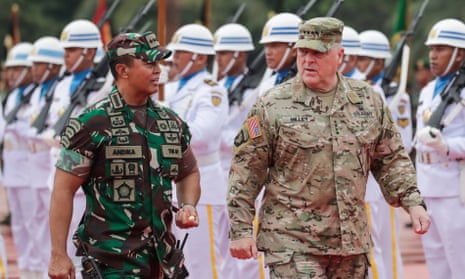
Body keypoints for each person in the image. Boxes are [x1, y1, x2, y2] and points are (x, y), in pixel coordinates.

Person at [227, 17, 431, 279]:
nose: (308, 60)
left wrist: (413, 204)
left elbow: (390, 160)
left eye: (318, 52)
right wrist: (241, 230)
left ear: (339, 55)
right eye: (303, 51)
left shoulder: (367, 102)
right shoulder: (272, 105)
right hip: (292, 242)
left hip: (350, 243)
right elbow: (245, 171)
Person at [48, 31, 201, 278]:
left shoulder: (171, 123)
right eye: (149, 63)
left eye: (158, 63)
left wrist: (187, 205)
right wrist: (58, 253)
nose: (158, 70)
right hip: (112, 263)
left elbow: (189, 172)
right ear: (123, 70)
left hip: (164, 262)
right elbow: (63, 189)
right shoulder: (91, 124)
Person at [166, 23, 237, 279]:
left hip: (203, 185)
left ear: (198, 57)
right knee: (176, 261)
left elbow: (203, 134)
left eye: (180, 52)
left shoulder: (212, 90)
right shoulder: (171, 88)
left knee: (203, 263)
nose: (174, 58)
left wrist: (161, 130)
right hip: (171, 183)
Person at [40, 19, 106, 276]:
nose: (65, 56)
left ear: (89, 52)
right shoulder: (63, 84)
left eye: (71, 50)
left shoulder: (103, 87)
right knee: (58, 248)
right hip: (56, 175)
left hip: (86, 181)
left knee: (84, 254)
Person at [214, 23, 269, 279]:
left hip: (244, 174)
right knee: (222, 247)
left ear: (239, 54)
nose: (218, 59)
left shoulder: (256, 88)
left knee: (248, 248)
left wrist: (222, 137)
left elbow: (252, 130)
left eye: (223, 53)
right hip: (217, 174)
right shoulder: (216, 85)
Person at [357, 29, 412, 279]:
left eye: (361, 59)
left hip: (381, 185)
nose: (356, 64)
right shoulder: (357, 89)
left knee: (386, 249)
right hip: (361, 184)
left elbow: (404, 142)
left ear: (378, 61)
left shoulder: (395, 96)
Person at [414, 18, 465, 279]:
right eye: (432, 49)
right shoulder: (429, 89)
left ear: (460, 54)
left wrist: (447, 146)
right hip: (427, 184)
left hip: (455, 190)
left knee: (460, 260)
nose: (433, 56)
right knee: (436, 261)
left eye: (441, 49)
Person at [25, 36, 64, 279]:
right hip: (36, 167)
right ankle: (38, 271)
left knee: (51, 229)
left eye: (39, 64)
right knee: (34, 225)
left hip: (51, 167)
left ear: (52, 66)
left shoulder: (59, 89)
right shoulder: (39, 90)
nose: (34, 70)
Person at [2, 42, 37, 279]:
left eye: (17, 69)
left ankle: (37, 271)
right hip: (13, 172)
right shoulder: (12, 96)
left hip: (32, 173)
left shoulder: (37, 95)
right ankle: (26, 272)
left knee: (36, 228)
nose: (11, 74)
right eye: (9, 69)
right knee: (19, 228)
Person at [256, 13, 302, 96]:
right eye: (266, 46)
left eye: (274, 46)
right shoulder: (267, 85)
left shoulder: (305, 86)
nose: (267, 52)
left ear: (295, 50)